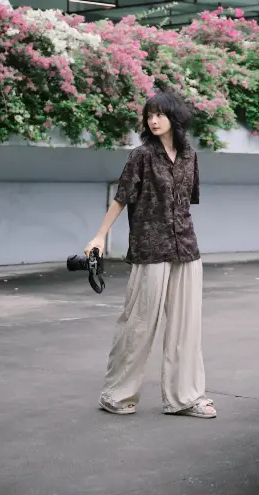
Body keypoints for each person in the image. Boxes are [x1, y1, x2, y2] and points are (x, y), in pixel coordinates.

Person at [84, 90, 216, 419]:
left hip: (186, 247)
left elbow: (185, 203)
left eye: (160, 114)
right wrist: (100, 236)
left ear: (175, 118)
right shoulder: (141, 156)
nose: (153, 120)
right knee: (139, 323)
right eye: (149, 115)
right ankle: (118, 395)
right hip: (149, 247)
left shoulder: (190, 156)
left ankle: (186, 397)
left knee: (187, 327)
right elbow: (122, 197)